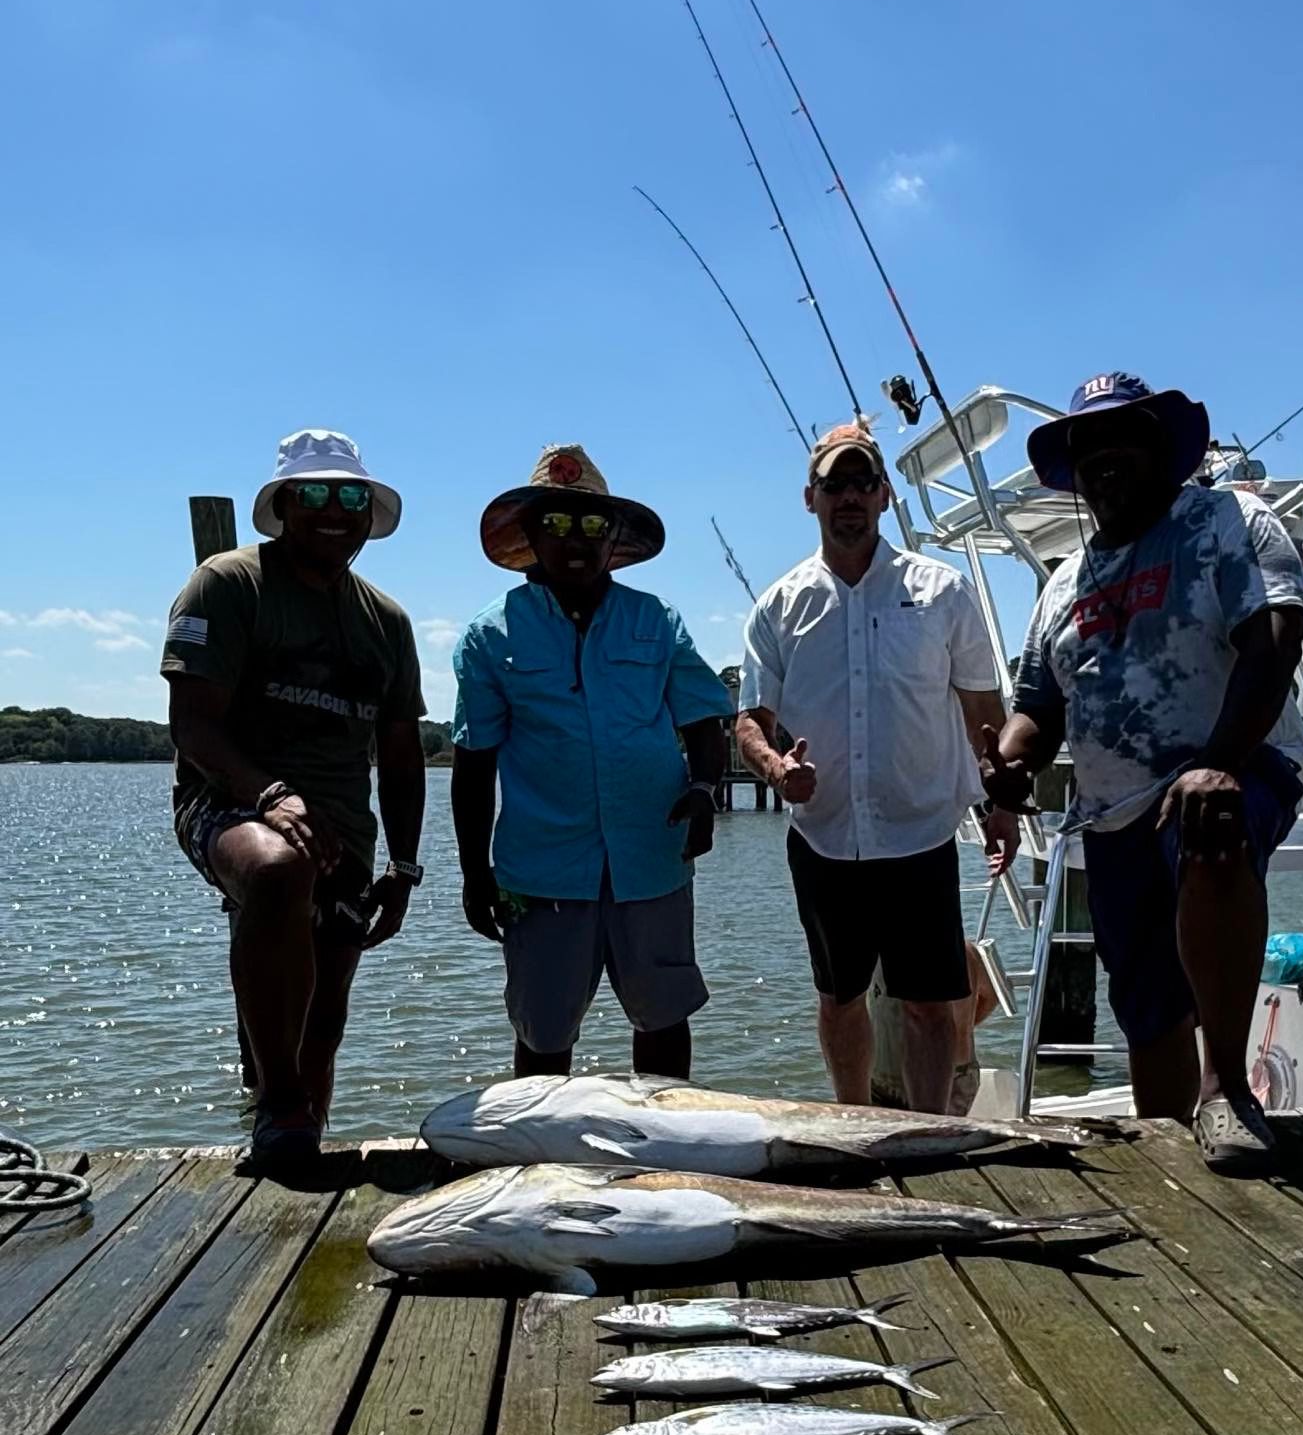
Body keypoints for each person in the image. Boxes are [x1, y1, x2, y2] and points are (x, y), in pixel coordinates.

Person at [982, 372, 1303, 1169]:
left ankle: (1227, 1092)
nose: (1104, 459)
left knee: (1213, 825)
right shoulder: (1063, 581)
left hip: (1235, 768)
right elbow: (1039, 704)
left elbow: (1273, 640)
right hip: (1113, 809)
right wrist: (1009, 761)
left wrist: (1219, 764)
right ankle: (1167, 1143)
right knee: (1142, 998)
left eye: (1123, 440)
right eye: (1086, 448)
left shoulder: (1225, 519)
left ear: (1164, 450)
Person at [737, 421, 1018, 1115]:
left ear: (886, 495)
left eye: (864, 481)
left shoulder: (943, 590)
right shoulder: (779, 603)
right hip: (825, 836)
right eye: (836, 484)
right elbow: (749, 720)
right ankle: (853, 1125)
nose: (850, 496)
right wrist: (776, 771)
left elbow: (982, 706)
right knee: (838, 999)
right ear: (811, 499)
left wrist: (1003, 804)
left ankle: (924, 1136)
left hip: (920, 834)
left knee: (930, 1005)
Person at [162, 428, 426, 1167]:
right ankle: (277, 1102)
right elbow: (192, 724)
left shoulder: (387, 622)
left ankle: (296, 1143)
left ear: (369, 512)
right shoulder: (228, 582)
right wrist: (270, 794)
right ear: (283, 506)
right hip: (230, 803)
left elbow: (402, 757)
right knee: (278, 871)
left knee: (326, 1007)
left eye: (351, 496)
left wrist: (404, 869)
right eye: (313, 494)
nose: (334, 509)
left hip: (344, 824)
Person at [452, 445, 729, 1079]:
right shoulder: (490, 636)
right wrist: (474, 873)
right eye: (554, 524)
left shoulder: (656, 620)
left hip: (652, 861)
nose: (573, 539)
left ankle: (662, 1154)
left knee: (662, 1019)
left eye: (590, 525)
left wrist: (707, 788)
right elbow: (473, 765)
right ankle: (542, 1163)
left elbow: (702, 718)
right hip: (541, 872)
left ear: (612, 539)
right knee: (543, 1032)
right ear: (529, 536)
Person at [869, 943, 1001, 1116]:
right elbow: (991, 996)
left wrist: (963, 1028)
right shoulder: (968, 950)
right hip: (959, 1071)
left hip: (941, 1075)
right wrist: (965, 1027)